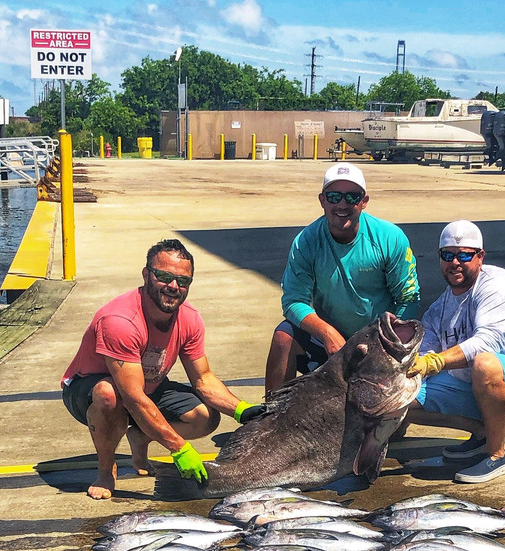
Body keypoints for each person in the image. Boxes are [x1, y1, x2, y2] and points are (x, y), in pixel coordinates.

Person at [61, 238, 264, 499]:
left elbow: (203, 379)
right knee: (109, 394)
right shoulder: (120, 320)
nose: (173, 287)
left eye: (183, 281)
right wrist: (179, 448)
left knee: (205, 416)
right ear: (147, 274)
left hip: (147, 386)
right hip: (87, 390)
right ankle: (105, 469)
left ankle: (141, 437)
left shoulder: (189, 318)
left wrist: (242, 410)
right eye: (164, 276)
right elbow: (133, 398)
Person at [407, 220, 505, 484]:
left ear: (480, 257)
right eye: (448, 255)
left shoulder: (499, 286)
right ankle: (482, 434)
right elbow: (425, 355)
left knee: (485, 363)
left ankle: (497, 455)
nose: (455, 262)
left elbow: (486, 344)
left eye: (464, 254)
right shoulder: (437, 310)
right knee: (396, 398)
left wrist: (433, 362)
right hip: (477, 392)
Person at [264, 163, 420, 392]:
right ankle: (273, 418)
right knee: (283, 337)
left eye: (352, 197)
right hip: (329, 339)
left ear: (364, 201)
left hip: (379, 340)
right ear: (322, 200)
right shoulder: (306, 241)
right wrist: (328, 333)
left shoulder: (390, 238)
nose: (342, 205)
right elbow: (293, 301)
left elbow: (408, 298)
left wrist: (386, 343)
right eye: (334, 196)